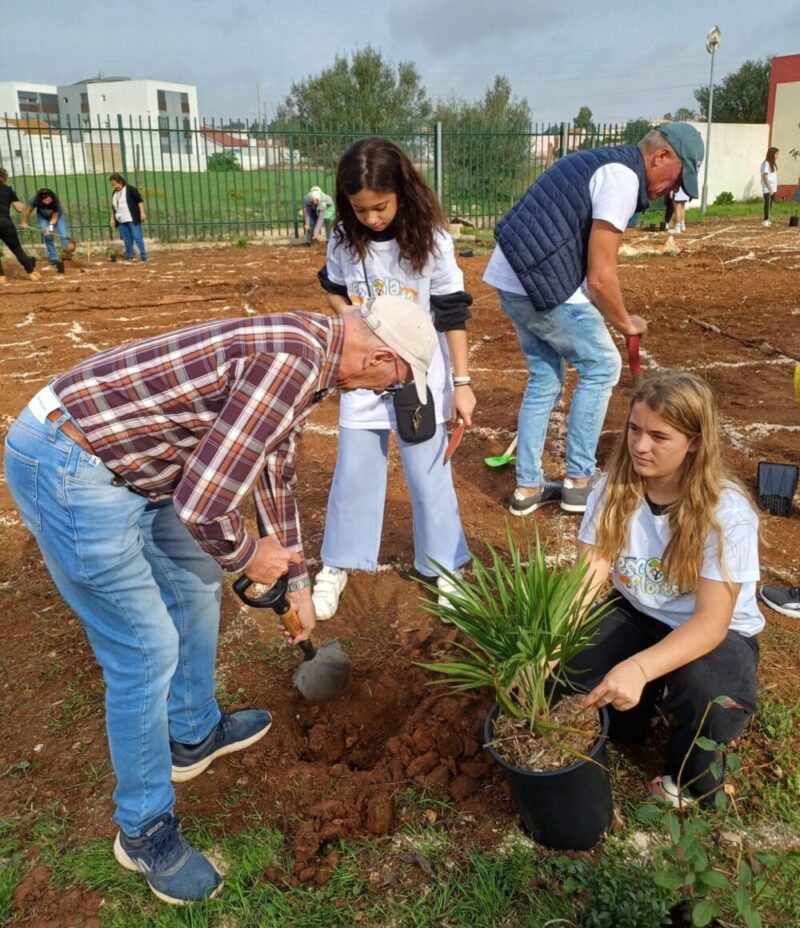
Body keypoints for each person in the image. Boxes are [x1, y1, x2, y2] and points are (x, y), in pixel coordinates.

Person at [3, 295, 437, 905]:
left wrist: (296, 583)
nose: (390, 392)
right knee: (144, 650)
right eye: (396, 381)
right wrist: (248, 557)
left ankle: (192, 733)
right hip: (73, 462)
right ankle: (144, 831)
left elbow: (274, 476)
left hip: (138, 461)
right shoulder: (293, 363)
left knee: (196, 580)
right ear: (381, 357)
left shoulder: (315, 353)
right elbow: (205, 506)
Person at [483, 122, 704, 517]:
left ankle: (528, 487)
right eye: (676, 179)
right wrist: (625, 322)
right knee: (602, 365)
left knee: (545, 377)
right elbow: (600, 277)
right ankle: (579, 483)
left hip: (511, 274)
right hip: (539, 279)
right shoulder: (621, 178)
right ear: (662, 156)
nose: (673, 191)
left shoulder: (606, 165)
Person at [565, 370, 762, 806]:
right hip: (636, 610)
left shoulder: (725, 511)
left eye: (659, 436)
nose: (640, 445)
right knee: (570, 675)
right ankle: (641, 710)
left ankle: (687, 778)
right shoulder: (613, 487)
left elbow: (711, 622)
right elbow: (589, 575)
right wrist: (552, 641)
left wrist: (638, 667)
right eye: (635, 429)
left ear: (693, 442)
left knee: (712, 697)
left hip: (713, 630)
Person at [311, 136, 475, 621]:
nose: (372, 219)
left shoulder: (433, 240)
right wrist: (358, 328)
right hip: (364, 373)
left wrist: (461, 383)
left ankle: (446, 568)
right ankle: (337, 565)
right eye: (360, 210)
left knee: (428, 476)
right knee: (354, 472)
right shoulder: (343, 239)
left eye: (380, 207)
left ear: (402, 191)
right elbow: (333, 291)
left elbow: (451, 313)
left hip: (419, 374)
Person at [0, 168, 40, 283]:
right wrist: (13, 200)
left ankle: (1, 278)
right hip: (5, 222)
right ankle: (31, 272)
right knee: (17, 248)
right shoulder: (7, 189)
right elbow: (19, 208)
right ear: (3, 178)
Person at [22, 187, 71, 267]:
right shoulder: (35, 200)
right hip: (43, 217)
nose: (47, 202)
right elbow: (28, 211)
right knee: (47, 235)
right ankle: (54, 258)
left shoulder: (55, 201)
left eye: (49, 200)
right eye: (45, 200)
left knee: (63, 235)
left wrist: (50, 227)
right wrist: (24, 222)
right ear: (40, 199)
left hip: (57, 217)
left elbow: (54, 217)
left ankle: (66, 256)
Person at [109, 172, 147, 261]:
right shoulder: (114, 193)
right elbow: (113, 207)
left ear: (120, 182)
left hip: (132, 218)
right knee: (127, 239)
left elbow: (140, 201)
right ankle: (130, 256)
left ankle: (143, 256)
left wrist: (142, 213)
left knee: (137, 237)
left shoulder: (130, 189)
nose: (114, 187)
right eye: (112, 185)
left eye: (115, 184)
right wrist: (112, 218)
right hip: (121, 220)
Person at [760, 147, 778, 227]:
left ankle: (768, 219)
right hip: (767, 188)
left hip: (772, 188)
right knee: (767, 204)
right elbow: (765, 176)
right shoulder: (766, 163)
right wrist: (770, 188)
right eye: (776, 154)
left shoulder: (772, 164)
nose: (777, 156)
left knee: (770, 204)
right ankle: (765, 220)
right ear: (772, 154)